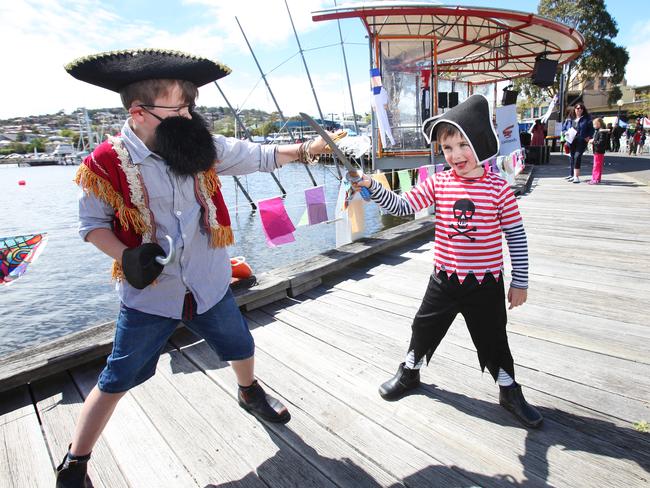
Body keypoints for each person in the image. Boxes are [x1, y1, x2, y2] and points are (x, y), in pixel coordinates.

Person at [56, 48, 331, 488]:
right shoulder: (102, 165)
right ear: (140, 112)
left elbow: (259, 155)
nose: (189, 116)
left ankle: (248, 391)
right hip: (150, 295)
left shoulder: (201, 148)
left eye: (190, 106)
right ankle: (76, 460)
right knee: (117, 377)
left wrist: (304, 148)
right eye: (179, 108)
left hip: (209, 283)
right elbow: (90, 226)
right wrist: (124, 256)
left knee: (240, 344)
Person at [352, 94, 543, 429]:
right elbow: (401, 205)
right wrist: (370, 184)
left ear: (482, 142)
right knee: (422, 327)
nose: (455, 155)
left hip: (486, 283)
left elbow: (516, 236)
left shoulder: (500, 189)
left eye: (462, 144)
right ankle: (410, 371)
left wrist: (520, 281)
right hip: (444, 279)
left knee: (494, 337)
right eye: (447, 148)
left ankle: (508, 389)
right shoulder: (438, 182)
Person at [562, 103, 593, 183]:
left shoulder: (587, 119)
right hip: (571, 140)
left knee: (577, 156)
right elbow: (564, 128)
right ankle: (572, 175)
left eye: (581, 108)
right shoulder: (571, 119)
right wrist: (565, 133)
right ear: (574, 109)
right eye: (577, 108)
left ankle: (576, 176)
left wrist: (589, 137)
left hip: (581, 140)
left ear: (583, 110)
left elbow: (591, 129)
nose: (579, 110)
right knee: (572, 157)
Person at [590, 117, 609, 185]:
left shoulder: (601, 132)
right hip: (599, 151)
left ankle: (595, 179)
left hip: (598, 150)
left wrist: (593, 141)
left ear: (599, 124)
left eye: (594, 124)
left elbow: (601, 142)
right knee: (598, 165)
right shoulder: (599, 131)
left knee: (596, 166)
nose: (593, 126)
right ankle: (596, 178)